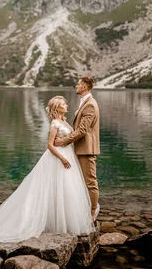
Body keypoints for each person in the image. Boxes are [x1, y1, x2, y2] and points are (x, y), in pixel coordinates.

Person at [0, 96, 94, 254]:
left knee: (66, 189)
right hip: (58, 158)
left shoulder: (64, 122)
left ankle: (64, 223)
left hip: (68, 156)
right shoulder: (55, 123)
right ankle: (51, 224)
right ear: (57, 107)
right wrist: (62, 158)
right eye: (63, 104)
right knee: (54, 188)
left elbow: (68, 139)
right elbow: (49, 145)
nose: (66, 105)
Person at [54, 76, 100, 222]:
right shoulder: (85, 103)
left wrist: (63, 142)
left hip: (86, 150)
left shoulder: (90, 105)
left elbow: (82, 130)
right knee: (80, 181)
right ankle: (82, 210)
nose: (76, 85)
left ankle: (93, 213)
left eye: (79, 84)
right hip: (79, 149)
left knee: (90, 182)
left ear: (85, 87)